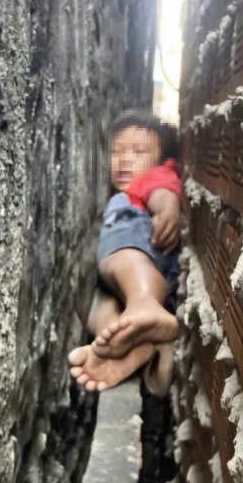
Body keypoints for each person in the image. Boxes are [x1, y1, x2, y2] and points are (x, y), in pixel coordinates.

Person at [69, 109, 182, 395]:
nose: (124, 159)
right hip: (152, 283)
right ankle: (121, 345)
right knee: (95, 302)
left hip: (146, 264)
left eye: (138, 151)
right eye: (117, 151)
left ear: (161, 161)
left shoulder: (149, 183)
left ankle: (144, 303)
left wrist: (168, 210)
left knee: (121, 227)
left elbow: (164, 191)